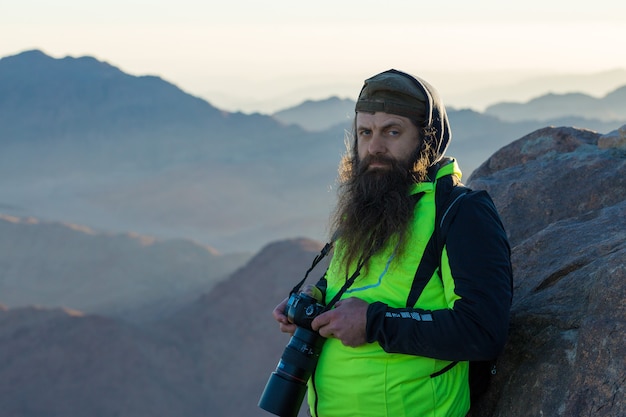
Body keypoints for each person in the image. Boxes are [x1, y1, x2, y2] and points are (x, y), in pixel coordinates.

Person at [273, 69, 513, 417]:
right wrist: (313, 300)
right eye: (365, 132)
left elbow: (482, 330)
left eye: (393, 132)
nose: (374, 147)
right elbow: (358, 283)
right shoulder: (373, 207)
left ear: (426, 140)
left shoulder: (460, 213)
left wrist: (374, 323)